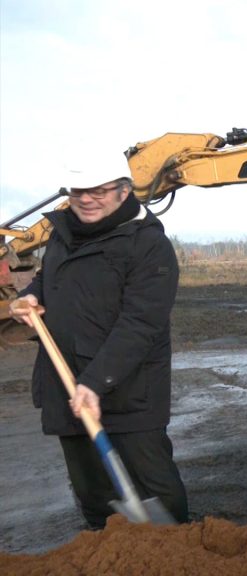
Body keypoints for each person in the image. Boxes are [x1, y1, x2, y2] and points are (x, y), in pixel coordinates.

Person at [8, 153, 188, 528]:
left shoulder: (148, 245)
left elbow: (141, 323)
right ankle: (107, 549)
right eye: (78, 191)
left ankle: (175, 553)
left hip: (129, 389)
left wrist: (95, 382)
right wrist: (32, 296)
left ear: (124, 192)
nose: (86, 199)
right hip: (65, 381)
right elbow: (48, 277)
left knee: (155, 486)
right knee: (91, 490)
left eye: (98, 191)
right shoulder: (63, 232)